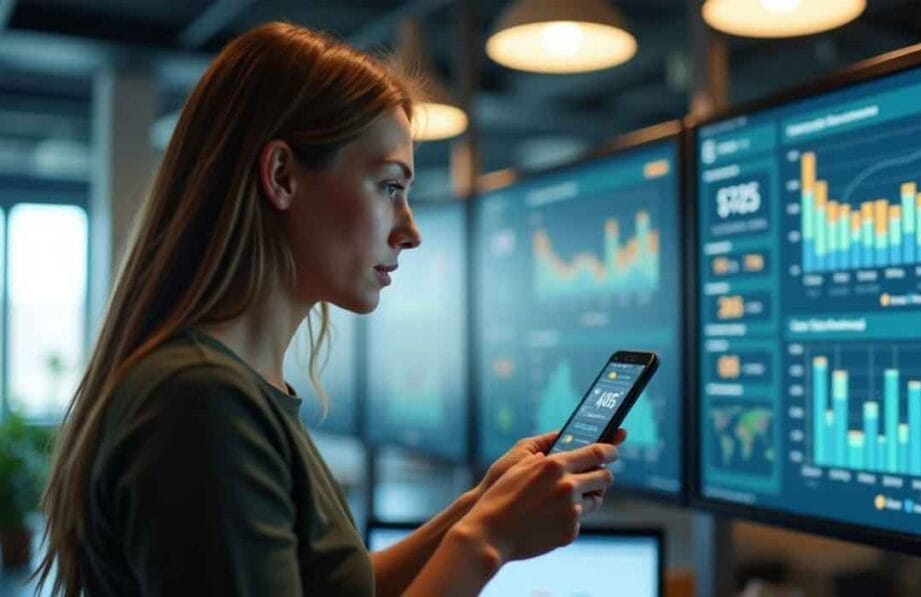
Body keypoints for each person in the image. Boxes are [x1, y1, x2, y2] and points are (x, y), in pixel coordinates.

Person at [37, 21, 623, 597]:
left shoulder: (229, 387)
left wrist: (479, 505)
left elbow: (341, 588)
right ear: (282, 176)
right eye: (391, 187)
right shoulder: (200, 402)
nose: (411, 231)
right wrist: (486, 541)